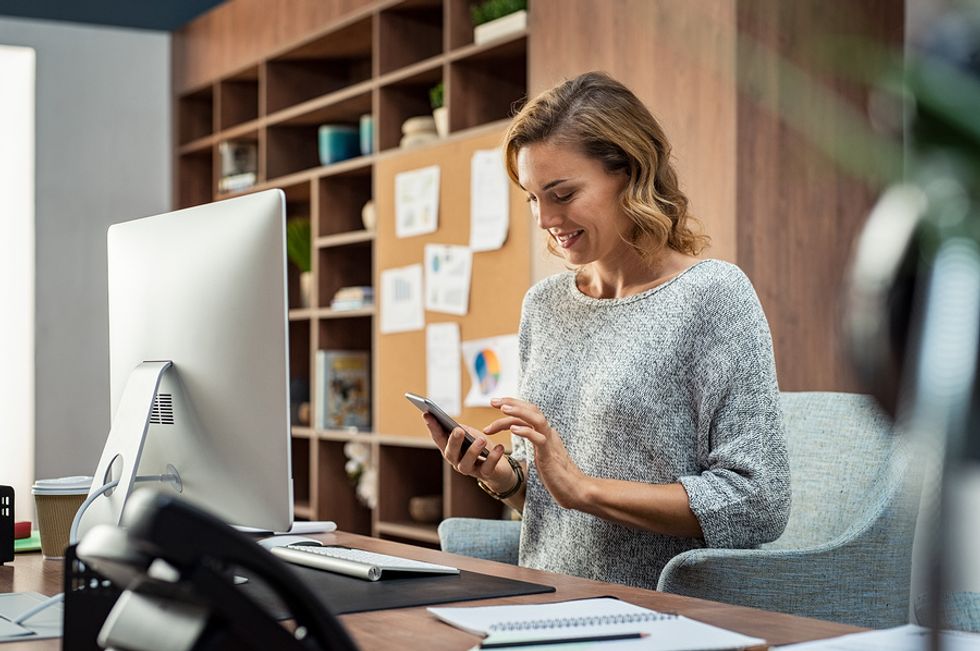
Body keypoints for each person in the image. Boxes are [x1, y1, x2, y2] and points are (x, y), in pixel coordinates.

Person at [422, 71, 791, 590]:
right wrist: (505, 478)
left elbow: (759, 503)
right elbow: (555, 495)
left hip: (664, 613)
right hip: (546, 602)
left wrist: (584, 489)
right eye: (531, 198)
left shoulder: (713, 296)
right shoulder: (544, 306)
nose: (545, 218)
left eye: (563, 193)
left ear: (631, 173)